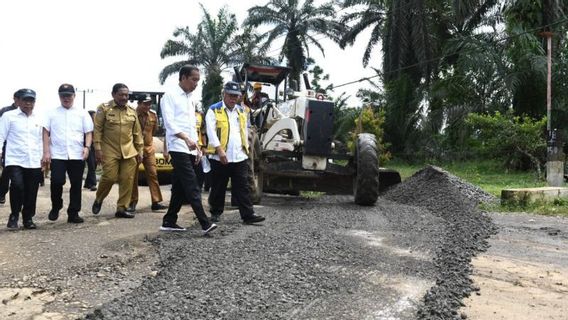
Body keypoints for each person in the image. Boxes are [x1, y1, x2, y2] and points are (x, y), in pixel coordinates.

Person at [160, 65, 216, 233]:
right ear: (183, 77)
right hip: (178, 146)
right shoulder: (169, 96)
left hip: (191, 148)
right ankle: (205, 223)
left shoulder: (191, 99)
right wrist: (185, 139)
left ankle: (169, 220)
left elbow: (193, 126)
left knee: (179, 186)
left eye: (198, 80)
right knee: (191, 184)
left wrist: (197, 147)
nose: (196, 84)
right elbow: (169, 123)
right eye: (194, 79)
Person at [205, 81, 265, 224]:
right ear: (224, 94)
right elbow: (211, 132)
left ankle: (248, 215)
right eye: (230, 95)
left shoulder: (241, 111)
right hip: (220, 156)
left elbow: (243, 131)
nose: (233, 99)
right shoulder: (214, 110)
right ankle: (215, 213)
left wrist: (246, 150)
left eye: (236, 96)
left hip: (239, 156)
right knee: (219, 186)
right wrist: (219, 150)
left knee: (242, 187)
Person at [42, 84, 94, 224]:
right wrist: (46, 151)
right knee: (57, 181)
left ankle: (73, 212)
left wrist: (87, 147)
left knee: (76, 184)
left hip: (77, 154)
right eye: (63, 95)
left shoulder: (82, 113)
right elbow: (46, 132)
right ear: (59, 96)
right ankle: (56, 205)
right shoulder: (51, 113)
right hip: (58, 154)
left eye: (69, 95)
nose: (66, 98)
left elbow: (88, 132)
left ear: (74, 96)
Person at [91, 83, 143, 219]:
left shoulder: (132, 112)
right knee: (110, 177)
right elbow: (98, 129)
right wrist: (97, 148)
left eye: (126, 95)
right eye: (121, 94)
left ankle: (122, 208)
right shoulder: (104, 109)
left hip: (129, 150)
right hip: (109, 149)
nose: (124, 97)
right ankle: (99, 198)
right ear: (113, 95)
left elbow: (137, 133)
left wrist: (140, 150)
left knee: (127, 179)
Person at [0, 89, 44, 229]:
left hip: (34, 159)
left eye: (31, 101)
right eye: (25, 100)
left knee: (32, 190)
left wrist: (45, 156)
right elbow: (1, 136)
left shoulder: (39, 118)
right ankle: (14, 215)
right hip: (15, 159)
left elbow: (42, 139)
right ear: (18, 101)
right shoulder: (8, 116)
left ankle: (28, 218)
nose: (28, 103)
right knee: (17, 186)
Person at [126, 94, 167, 213]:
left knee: (153, 174)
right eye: (145, 104)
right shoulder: (131, 115)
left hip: (148, 149)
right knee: (133, 177)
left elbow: (153, 131)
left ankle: (156, 201)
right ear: (138, 103)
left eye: (149, 104)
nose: (148, 106)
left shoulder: (153, 115)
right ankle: (132, 202)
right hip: (133, 149)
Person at [0, 89, 23, 204]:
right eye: (19, 99)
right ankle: (2, 193)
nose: (21, 101)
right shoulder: (5, 111)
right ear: (15, 99)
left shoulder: (27, 111)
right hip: (6, 146)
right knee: (7, 171)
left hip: (20, 148)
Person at [83, 110, 98, 191]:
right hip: (84, 146)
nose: (95, 118)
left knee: (93, 164)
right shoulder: (85, 124)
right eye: (93, 116)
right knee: (91, 164)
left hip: (93, 147)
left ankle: (87, 183)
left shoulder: (96, 125)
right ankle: (93, 184)